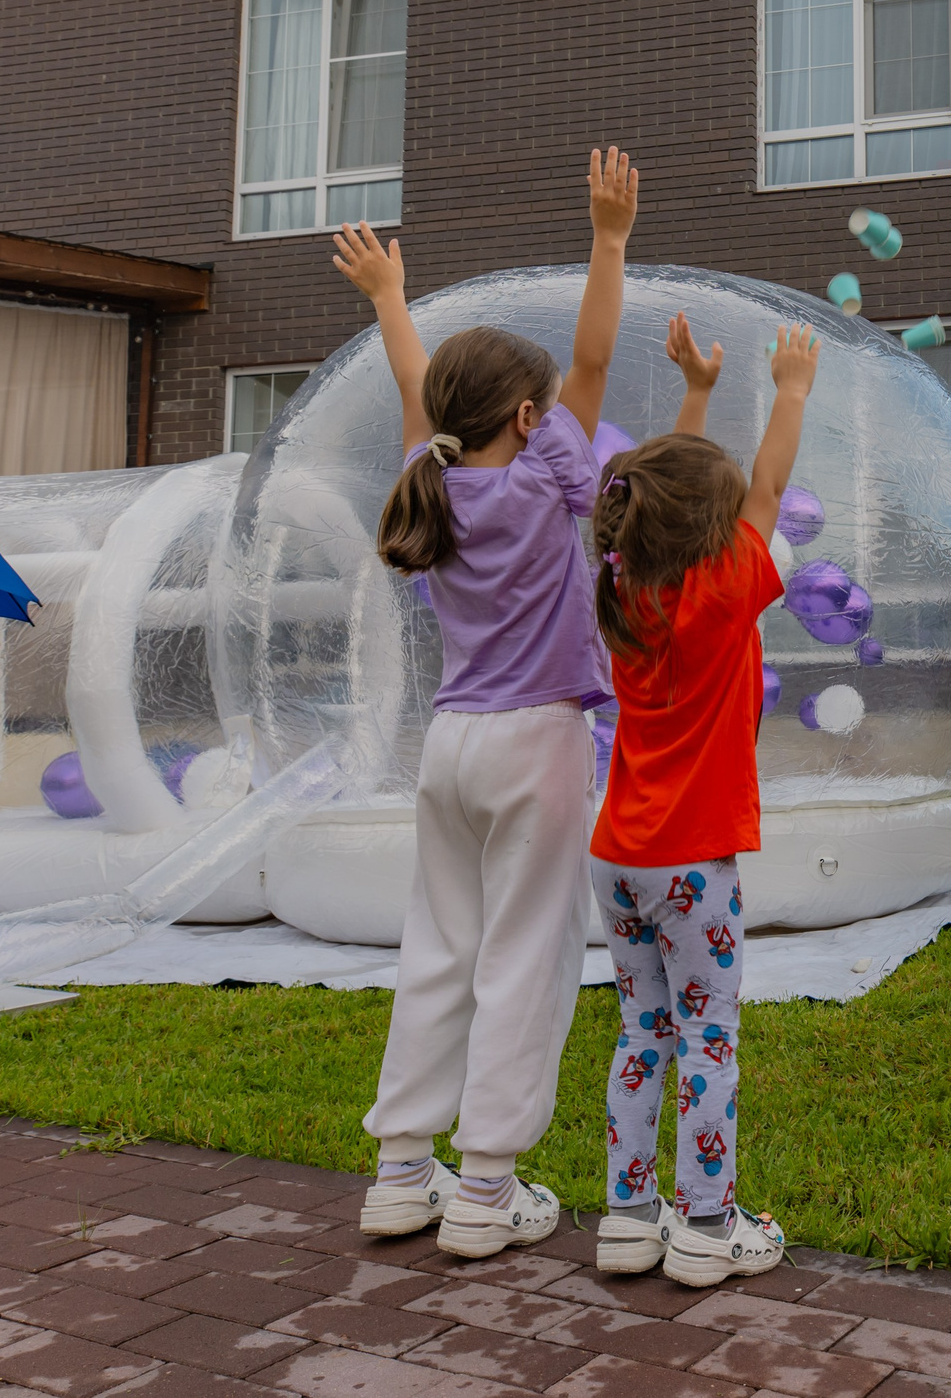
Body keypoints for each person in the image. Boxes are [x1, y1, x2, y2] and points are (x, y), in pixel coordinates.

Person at [342, 145, 637, 1253]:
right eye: (550, 405)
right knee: (528, 956)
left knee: (439, 947)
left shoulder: (435, 481)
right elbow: (594, 363)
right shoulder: (541, 480)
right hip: (539, 745)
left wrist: (389, 299)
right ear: (527, 414)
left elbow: (415, 389)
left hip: (452, 745)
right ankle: (484, 1194)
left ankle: (399, 1172)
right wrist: (608, 239)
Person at [584, 314, 819, 1287]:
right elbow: (763, 488)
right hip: (692, 866)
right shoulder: (726, 586)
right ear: (707, 529)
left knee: (644, 1030)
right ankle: (708, 1227)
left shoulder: (621, 582)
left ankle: (629, 1218)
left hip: (617, 856)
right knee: (709, 1037)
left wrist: (695, 393)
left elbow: (668, 495)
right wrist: (792, 388)